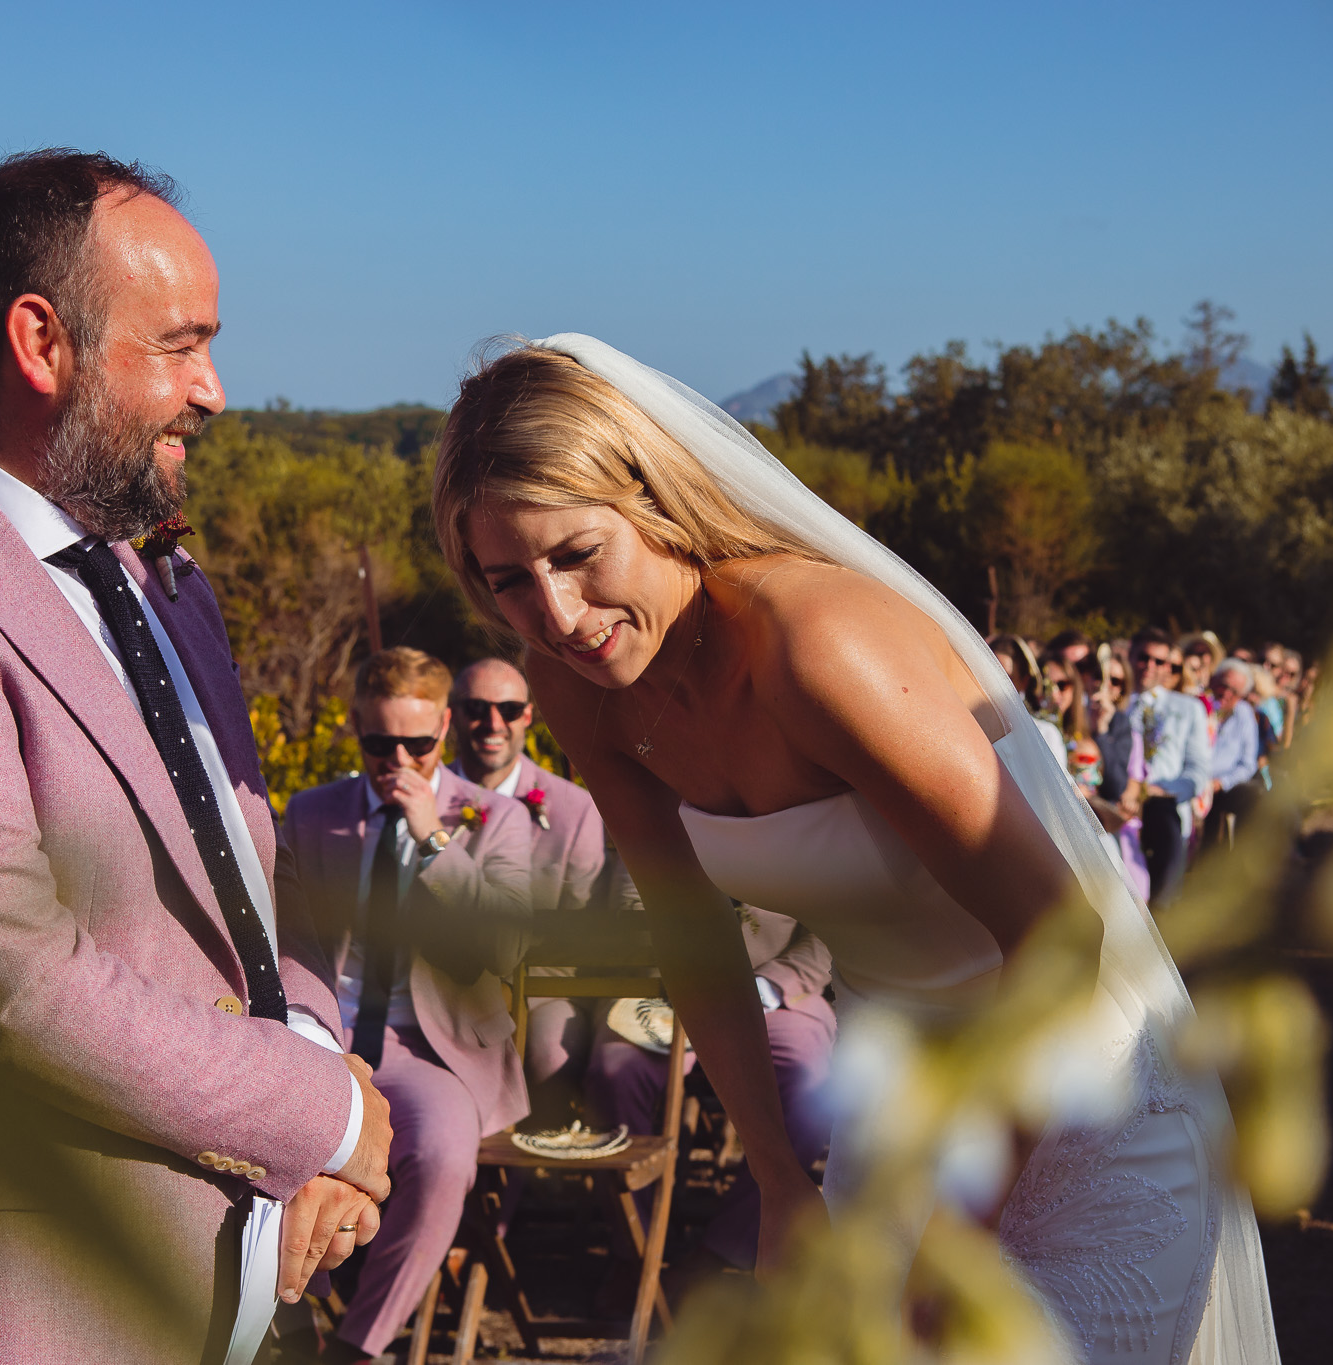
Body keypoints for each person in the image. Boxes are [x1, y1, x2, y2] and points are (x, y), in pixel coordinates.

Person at [427, 335, 1277, 1364]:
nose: (556, 616)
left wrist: (955, 1236)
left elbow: (1060, 935)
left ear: (651, 504)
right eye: (506, 578)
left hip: (1079, 1078)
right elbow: (693, 939)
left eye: (576, 555)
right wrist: (781, 1181)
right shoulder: (578, 684)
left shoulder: (817, 645)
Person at [0, 151, 389, 1365]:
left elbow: (240, 885)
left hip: (231, 1269)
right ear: (41, 342)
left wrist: (317, 1080)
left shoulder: (159, 579)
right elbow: (13, 991)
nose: (213, 390)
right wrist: (324, 1115)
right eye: (178, 345)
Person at [281, 647, 535, 1364]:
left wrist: (434, 839)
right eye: (378, 743)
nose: (398, 760)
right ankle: (295, 1319)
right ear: (355, 729)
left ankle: (357, 1346)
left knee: (446, 1152)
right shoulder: (312, 811)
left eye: (418, 744)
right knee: (261, 1127)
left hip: (435, 1046)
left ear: (445, 728)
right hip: (331, 1034)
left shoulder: (494, 818)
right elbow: (286, 937)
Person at [583, 903, 834, 1275]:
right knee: (614, 1075)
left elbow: (828, 928)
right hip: (662, 989)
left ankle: (722, 1254)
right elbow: (629, 901)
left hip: (781, 995)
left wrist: (762, 987)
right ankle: (635, 1256)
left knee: (806, 1091)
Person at [446, 656, 610, 1125]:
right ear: (453, 715)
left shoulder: (576, 810)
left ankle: (528, 1186)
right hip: (436, 981)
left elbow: (575, 927)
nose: (492, 723)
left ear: (527, 716)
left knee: (548, 1054)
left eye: (509, 709)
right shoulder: (426, 800)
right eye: (476, 708)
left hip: (543, 986)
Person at [1126, 626, 1212, 904]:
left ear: (1168, 666)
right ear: (1130, 657)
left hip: (1166, 807)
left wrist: (1163, 792)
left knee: (1162, 905)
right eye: (1143, 657)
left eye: (1159, 661)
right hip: (1120, 811)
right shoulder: (1115, 703)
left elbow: (1198, 770)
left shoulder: (1188, 708)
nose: (1149, 667)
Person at [1203, 659, 1262, 849]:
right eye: (1224, 685)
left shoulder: (1245, 715)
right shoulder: (1199, 705)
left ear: (1242, 696)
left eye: (1234, 691)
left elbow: (1248, 764)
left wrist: (1222, 783)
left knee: (1254, 795)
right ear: (1214, 681)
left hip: (1223, 786)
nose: (1226, 693)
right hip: (1195, 780)